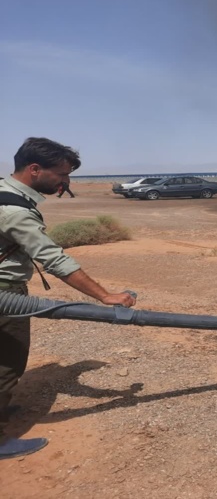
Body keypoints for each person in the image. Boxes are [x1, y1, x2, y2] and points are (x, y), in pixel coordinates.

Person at [0, 137, 136, 459]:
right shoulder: (15, 211)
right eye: (61, 175)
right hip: (5, 294)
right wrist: (105, 295)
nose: (65, 182)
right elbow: (54, 259)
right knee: (7, 363)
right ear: (35, 169)